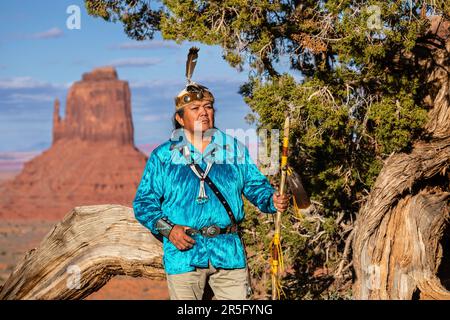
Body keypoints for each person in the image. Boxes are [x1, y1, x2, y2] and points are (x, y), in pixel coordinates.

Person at [133, 47, 290, 300]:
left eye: (208, 106)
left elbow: (253, 185)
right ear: (180, 118)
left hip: (228, 251)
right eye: (195, 109)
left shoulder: (232, 148)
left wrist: (270, 199)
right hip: (185, 253)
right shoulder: (163, 155)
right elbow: (144, 203)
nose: (204, 113)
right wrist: (169, 230)